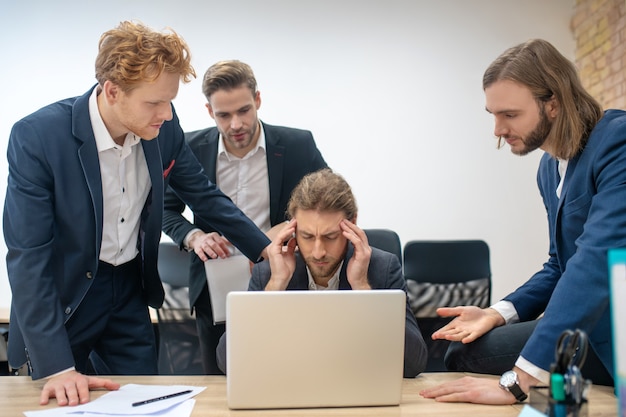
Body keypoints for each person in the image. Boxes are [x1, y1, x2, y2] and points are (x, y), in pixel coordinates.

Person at [3, 21, 270, 406]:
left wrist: (265, 250)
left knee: (145, 404)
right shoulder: (38, 138)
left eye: (170, 100)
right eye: (154, 103)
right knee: (59, 401)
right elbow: (29, 256)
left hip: (127, 290)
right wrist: (56, 365)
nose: (166, 113)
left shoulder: (163, 126)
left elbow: (204, 197)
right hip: (65, 298)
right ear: (112, 91)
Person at [420, 39, 619, 405]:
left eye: (509, 115)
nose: (497, 129)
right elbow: (560, 263)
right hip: (588, 325)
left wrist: (519, 382)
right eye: (493, 115)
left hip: (614, 323)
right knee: (463, 351)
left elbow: (595, 263)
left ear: (553, 103)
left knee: (505, 371)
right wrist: (497, 313)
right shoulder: (548, 167)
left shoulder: (616, 142)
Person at [161, 60, 328, 375]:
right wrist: (193, 236)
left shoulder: (296, 144)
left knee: (287, 372)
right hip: (214, 287)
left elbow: (329, 204)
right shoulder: (189, 148)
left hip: (284, 280)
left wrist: (275, 236)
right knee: (220, 379)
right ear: (210, 111)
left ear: (258, 101)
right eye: (223, 115)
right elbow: (164, 209)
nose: (235, 124)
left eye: (244, 111)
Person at [215, 168, 429, 378]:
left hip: (356, 388)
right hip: (291, 389)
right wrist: (275, 286)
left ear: (352, 224)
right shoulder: (269, 273)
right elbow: (226, 362)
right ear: (292, 229)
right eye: (307, 236)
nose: (318, 252)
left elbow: (413, 364)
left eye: (331, 236)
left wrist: (363, 289)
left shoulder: (383, 268)